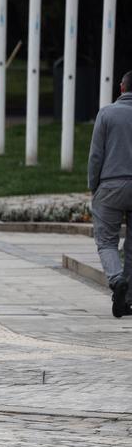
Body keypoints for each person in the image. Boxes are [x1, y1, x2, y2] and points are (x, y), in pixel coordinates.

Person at [90, 70, 132, 317]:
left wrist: (93, 185)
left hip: (111, 185)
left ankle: (117, 280)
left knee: (106, 240)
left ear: (121, 88)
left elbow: (96, 155)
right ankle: (127, 299)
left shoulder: (106, 113)